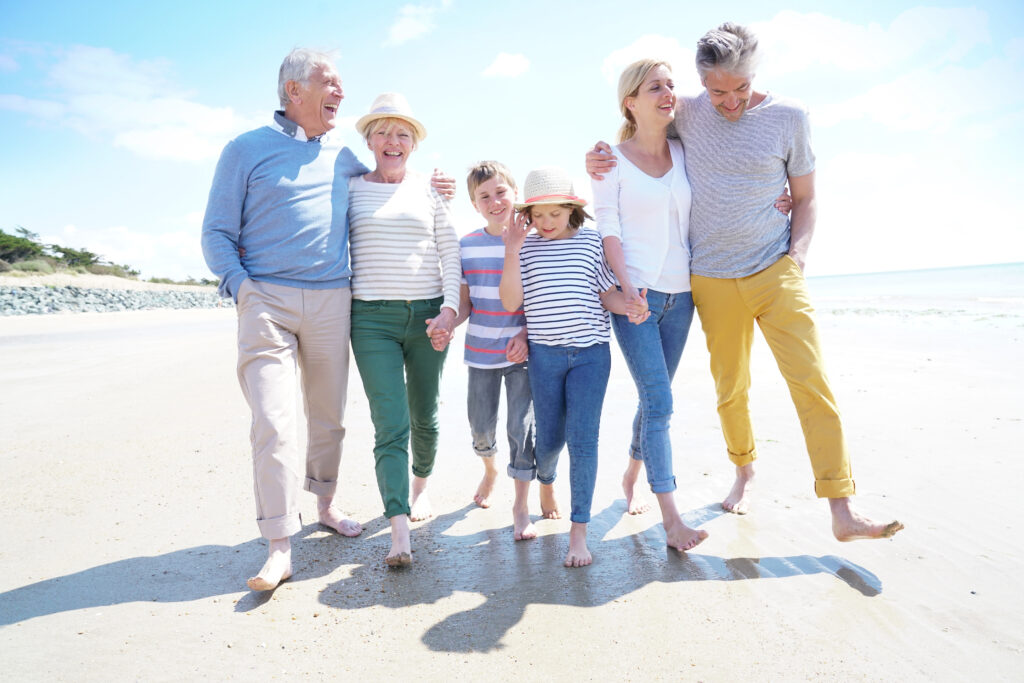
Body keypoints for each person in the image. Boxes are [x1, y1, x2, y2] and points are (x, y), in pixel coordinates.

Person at [588, 23, 903, 541]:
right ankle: (743, 471)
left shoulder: (790, 117)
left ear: (755, 75)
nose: (730, 101)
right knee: (730, 389)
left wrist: (796, 259)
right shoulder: (684, 110)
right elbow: (636, 140)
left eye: (739, 89)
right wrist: (595, 156)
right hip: (708, 280)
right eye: (717, 92)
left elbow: (806, 197)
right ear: (700, 84)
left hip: (776, 269)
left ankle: (842, 508)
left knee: (812, 383)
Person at [201, 48, 366, 592]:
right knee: (273, 422)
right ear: (294, 91)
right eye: (329, 82)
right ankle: (278, 544)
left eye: (341, 82)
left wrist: (430, 190)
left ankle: (326, 504)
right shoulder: (244, 149)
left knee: (329, 418)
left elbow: (387, 193)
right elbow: (216, 233)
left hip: (330, 300)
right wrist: (243, 290)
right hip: (265, 300)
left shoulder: (345, 155)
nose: (340, 90)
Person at [499, 167, 648, 567]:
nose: (546, 223)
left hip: (590, 356)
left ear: (571, 209)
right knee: (549, 442)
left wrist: (631, 307)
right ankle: (545, 482)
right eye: (538, 215)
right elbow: (511, 302)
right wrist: (512, 249)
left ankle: (578, 532)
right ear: (527, 215)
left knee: (584, 441)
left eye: (555, 213)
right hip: (544, 357)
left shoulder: (590, 242)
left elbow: (606, 296)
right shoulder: (525, 249)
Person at [590, 59, 707, 552]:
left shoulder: (686, 152)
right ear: (630, 102)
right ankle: (672, 519)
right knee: (660, 402)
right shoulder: (609, 160)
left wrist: (780, 199)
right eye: (654, 86)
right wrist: (627, 287)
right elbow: (607, 228)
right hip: (635, 300)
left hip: (682, 297)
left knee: (652, 399)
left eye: (671, 85)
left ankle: (632, 473)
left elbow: (726, 189)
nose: (667, 92)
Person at [347, 93, 461, 567]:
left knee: (425, 416)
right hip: (371, 320)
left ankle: (420, 488)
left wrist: (450, 310)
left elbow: (449, 251)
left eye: (403, 134)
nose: (393, 141)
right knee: (389, 423)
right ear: (369, 139)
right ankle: (398, 530)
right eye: (383, 132)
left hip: (429, 316)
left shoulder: (430, 191)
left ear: (413, 144)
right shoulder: (349, 187)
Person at [445, 161, 551, 541]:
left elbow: (540, 301)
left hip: (522, 355)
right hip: (479, 354)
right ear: (474, 204)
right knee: (481, 428)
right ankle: (490, 469)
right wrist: (446, 324)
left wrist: (525, 333)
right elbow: (465, 304)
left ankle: (521, 507)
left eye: (500, 192)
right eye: (484, 196)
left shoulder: (537, 241)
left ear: (515, 194)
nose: (494, 201)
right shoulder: (467, 246)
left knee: (519, 429)